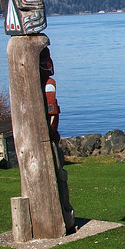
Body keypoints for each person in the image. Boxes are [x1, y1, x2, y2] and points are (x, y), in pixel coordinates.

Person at [40, 48, 75, 233]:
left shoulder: (48, 83)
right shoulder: (45, 83)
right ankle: (61, 217)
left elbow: (52, 109)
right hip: (43, 136)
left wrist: (52, 131)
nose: (49, 63)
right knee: (56, 176)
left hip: (47, 136)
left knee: (59, 176)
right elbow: (51, 110)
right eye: (45, 59)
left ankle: (66, 216)